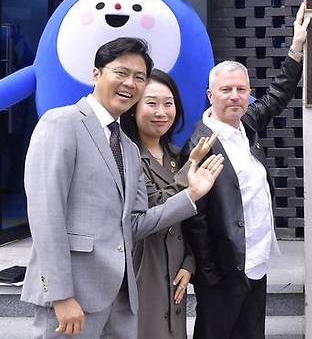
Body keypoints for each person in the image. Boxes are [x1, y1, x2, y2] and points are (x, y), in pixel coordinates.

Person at [21, 37, 224, 339]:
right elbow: (45, 215)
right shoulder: (62, 123)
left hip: (121, 300)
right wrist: (60, 295)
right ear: (96, 74)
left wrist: (191, 194)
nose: (130, 83)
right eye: (121, 72)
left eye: (139, 77)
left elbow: (135, 224)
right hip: (72, 297)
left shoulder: (128, 148)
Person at [183, 3, 309, 339]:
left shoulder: (246, 126)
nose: (235, 97)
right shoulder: (200, 145)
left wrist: (296, 48)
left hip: (255, 265)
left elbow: (277, 96)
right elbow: (195, 219)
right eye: (226, 90)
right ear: (211, 95)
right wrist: (208, 274)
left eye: (242, 90)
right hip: (224, 273)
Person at [121, 69, 218, 339]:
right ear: (133, 107)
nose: (161, 112)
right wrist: (191, 170)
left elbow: (191, 221)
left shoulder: (176, 155)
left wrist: (189, 262)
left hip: (175, 268)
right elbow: (157, 207)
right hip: (143, 266)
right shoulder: (127, 156)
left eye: (168, 103)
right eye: (151, 103)